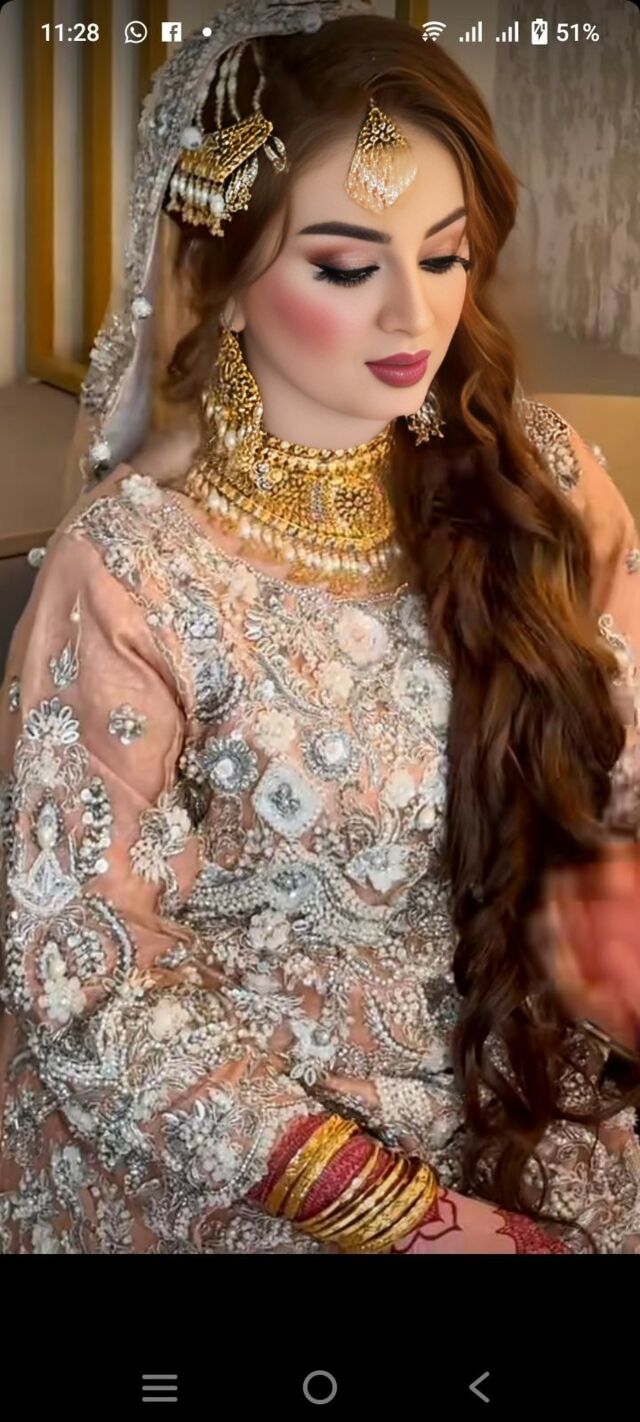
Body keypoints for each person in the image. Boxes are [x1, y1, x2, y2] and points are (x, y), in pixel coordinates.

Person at [0, 0, 639, 1256]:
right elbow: (90, 975)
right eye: (347, 269)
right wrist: (411, 1218)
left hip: (538, 1080)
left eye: (445, 257)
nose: (415, 317)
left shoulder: (544, 481)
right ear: (221, 282)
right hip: (250, 1151)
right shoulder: (135, 568)